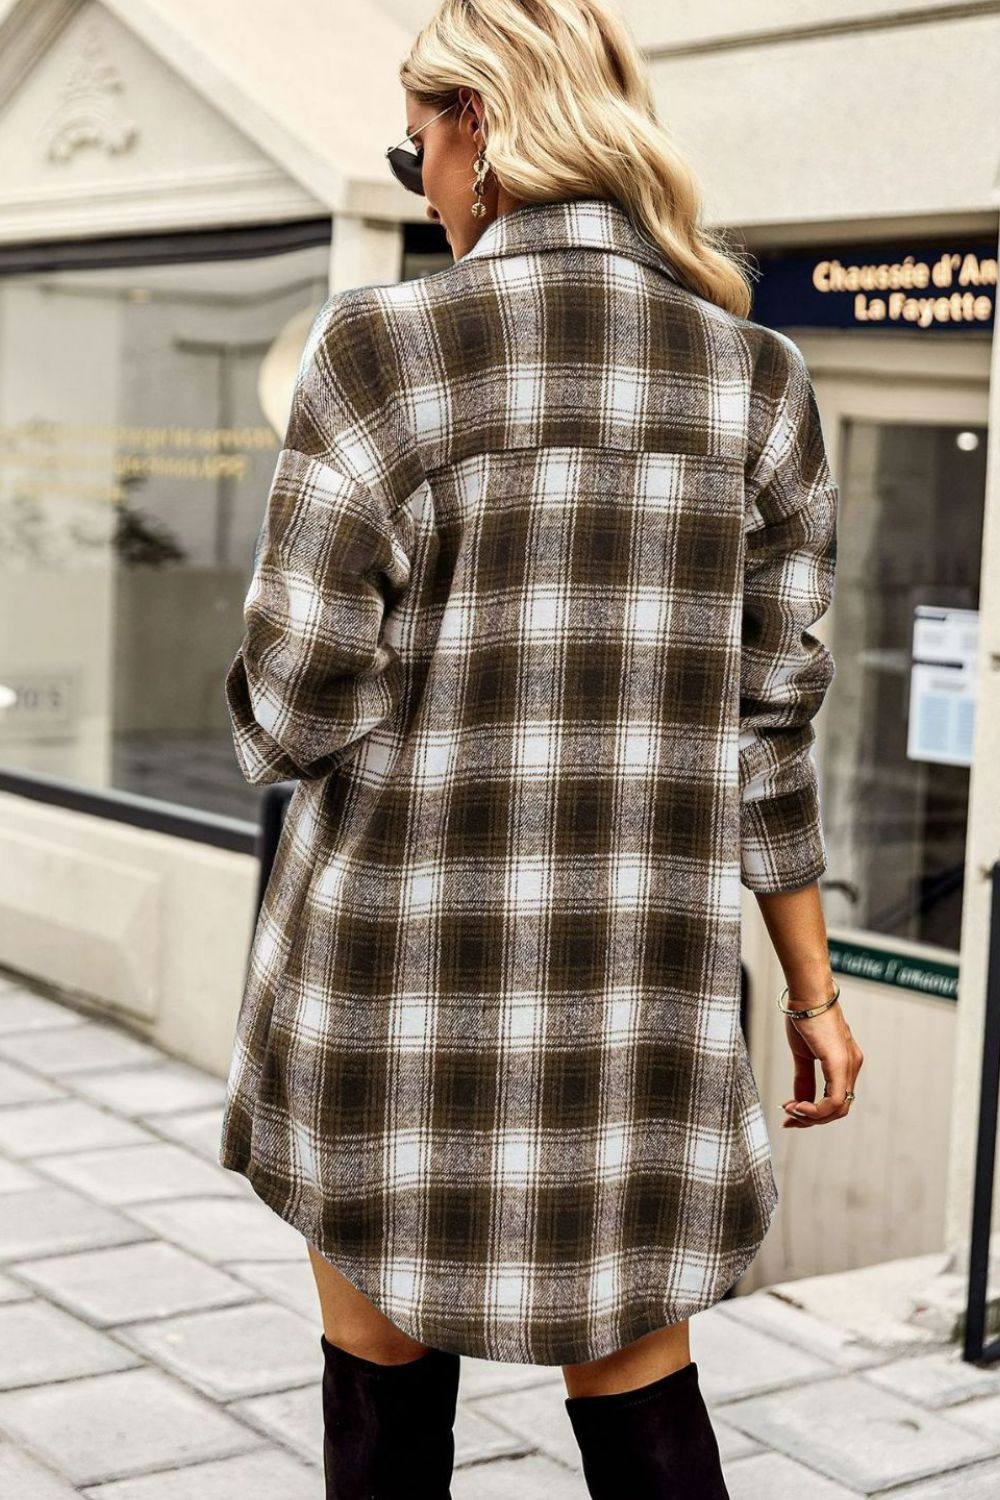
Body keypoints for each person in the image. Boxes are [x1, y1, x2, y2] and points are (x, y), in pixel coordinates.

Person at [218, 1, 864, 1495]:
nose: (425, 190)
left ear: (480, 128)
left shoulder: (380, 349)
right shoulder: (756, 378)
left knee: (381, 1408)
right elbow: (772, 736)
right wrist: (815, 994)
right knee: (644, 1405)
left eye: (417, 150)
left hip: (386, 992)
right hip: (634, 1009)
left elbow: (297, 701)